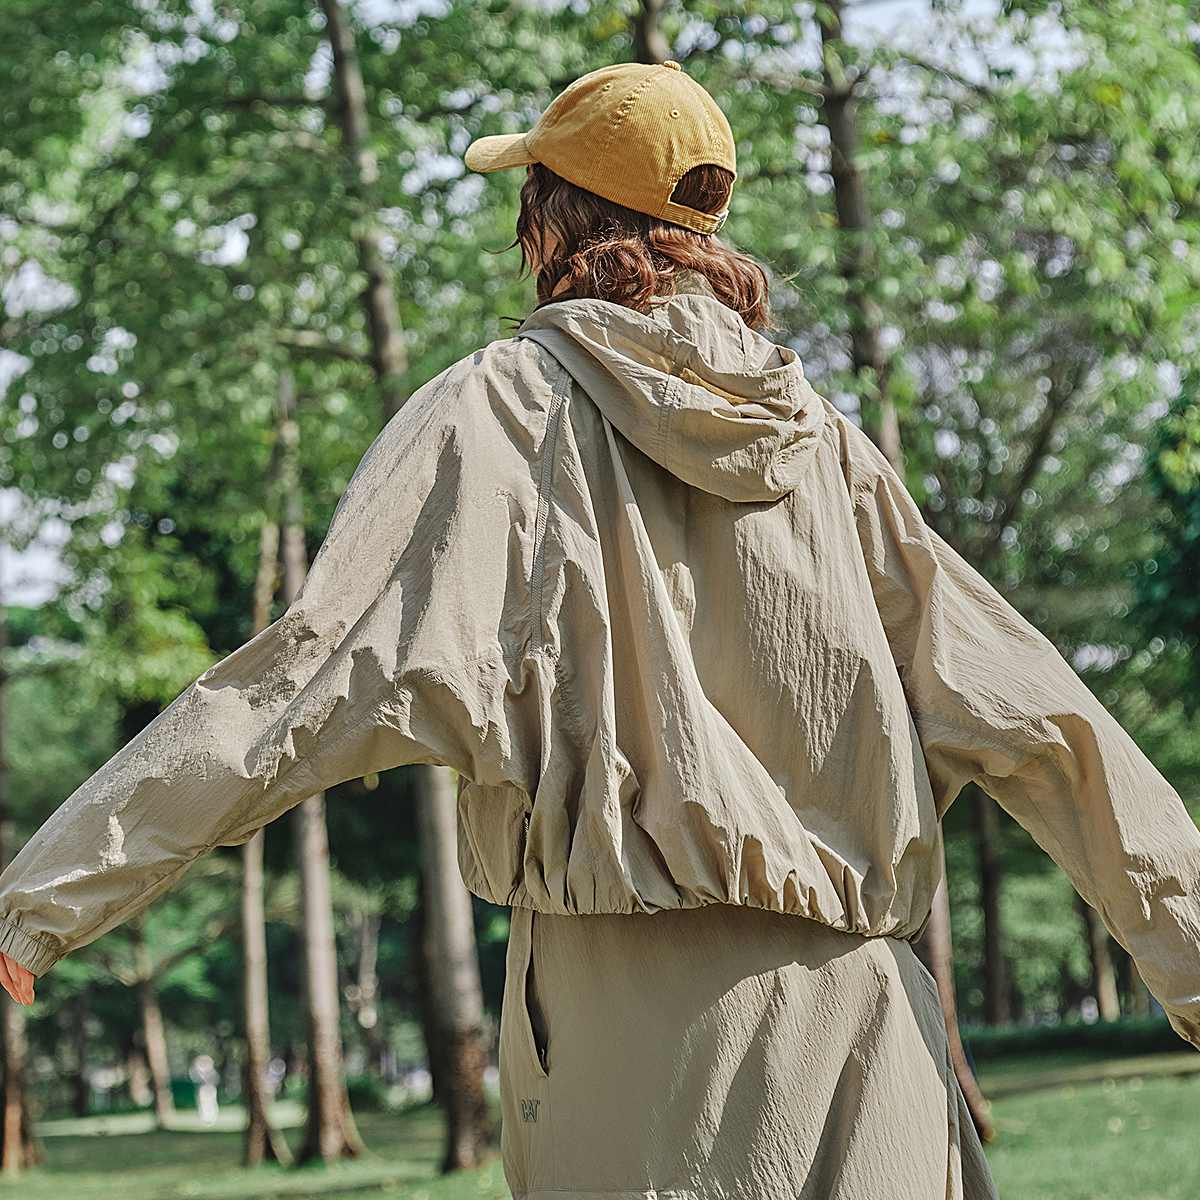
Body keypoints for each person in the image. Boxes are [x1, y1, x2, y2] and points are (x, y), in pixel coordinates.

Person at [2, 60, 1199, 1200]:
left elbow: (307, 679)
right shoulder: (827, 447)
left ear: (551, 216)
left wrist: (40, 903)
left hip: (639, 1059)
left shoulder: (497, 410)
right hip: (867, 1036)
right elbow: (1037, 713)